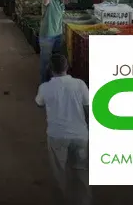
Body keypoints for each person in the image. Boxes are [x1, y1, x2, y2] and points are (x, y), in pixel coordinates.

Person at [36, 53, 91, 205]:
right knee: (81, 170)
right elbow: (88, 108)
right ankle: (84, 201)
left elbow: (39, 103)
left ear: (50, 69)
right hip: (80, 134)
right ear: (67, 67)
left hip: (57, 135)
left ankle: (62, 200)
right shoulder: (80, 84)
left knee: (59, 171)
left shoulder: (45, 87)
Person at [39, 0, 77, 84]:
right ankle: (44, 84)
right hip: (47, 36)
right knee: (45, 61)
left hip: (58, 35)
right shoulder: (50, 2)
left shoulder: (61, 2)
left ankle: (54, 81)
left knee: (57, 61)